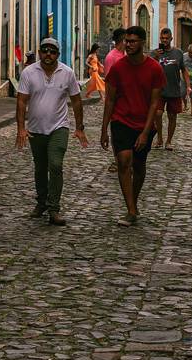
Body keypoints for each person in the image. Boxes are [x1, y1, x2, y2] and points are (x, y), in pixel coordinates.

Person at [15, 37, 87, 226]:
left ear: (58, 54)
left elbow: (76, 101)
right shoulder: (29, 73)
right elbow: (21, 101)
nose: (48, 54)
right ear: (39, 52)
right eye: (45, 50)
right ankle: (41, 202)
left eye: (52, 51)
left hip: (59, 127)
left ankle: (54, 208)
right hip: (35, 129)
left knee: (55, 164)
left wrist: (79, 127)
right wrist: (21, 128)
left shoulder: (67, 73)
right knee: (40, 168)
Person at [100, 25, 164, 226]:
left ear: (142, 42)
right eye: (126, 41)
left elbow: (154, 103)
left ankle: (132, 202)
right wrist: (104, 129)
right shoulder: (118, 68)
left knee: (139, 164)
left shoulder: (154, 68)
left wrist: (145, 132)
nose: (128, 45)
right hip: (121, 120)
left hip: (144, 123)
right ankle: (131, 209)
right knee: (123, 160)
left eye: (133, 41)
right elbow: (110, 100)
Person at [153, 28, 187, 150]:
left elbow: (183, 69)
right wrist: (156, 57)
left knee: (172, 116)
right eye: (162, 38)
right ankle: (159, 138)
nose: (164, 40)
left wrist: (188, 85)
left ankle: (169, 141)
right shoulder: (155, 53)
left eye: (167, 38)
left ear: (171, 39)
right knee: (157, 114)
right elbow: (149, 68)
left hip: (174, 90)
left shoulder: (178, 53)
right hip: (159, 90)